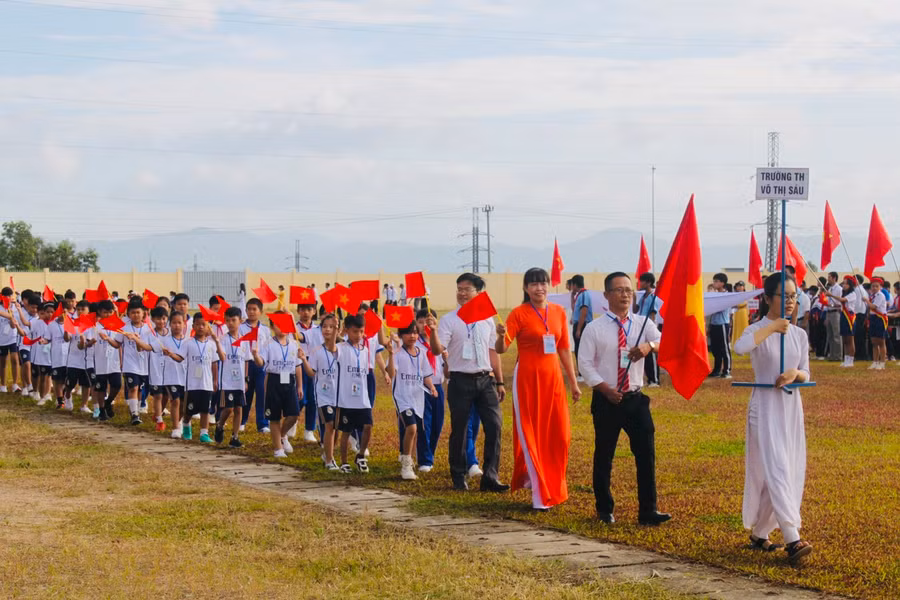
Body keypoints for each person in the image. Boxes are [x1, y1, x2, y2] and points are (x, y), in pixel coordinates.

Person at [577, 272, 668, 526]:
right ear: (606, 295)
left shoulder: (642, 324)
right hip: (607, 399)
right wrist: (605, 389)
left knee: (646, 455)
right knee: (604, 455)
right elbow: (584, 364)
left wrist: (650, 346)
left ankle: (648, 510)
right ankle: (604, 509)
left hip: (635, 399)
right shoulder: (594, 328)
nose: (625, 294)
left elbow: (663, 340)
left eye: (629, 290)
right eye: (619, 290)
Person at [734, 272, 813, 563]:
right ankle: (793, 538)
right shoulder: (756, 330)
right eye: (784, 296)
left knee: (787, 468)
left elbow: (806, 371)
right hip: (764, 408)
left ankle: (760, 533)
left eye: (794, 296)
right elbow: (740, 348)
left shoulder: (800, 335)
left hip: (790, 408)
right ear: (768, 298)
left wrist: (795, 374)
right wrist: (772, 328)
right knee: (776, 466)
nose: (791, 301)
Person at [495, 267, 580, 511]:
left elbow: (564, 349)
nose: (539, 288)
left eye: (543, 283)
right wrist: (500, 335)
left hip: (553, 380)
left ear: (548, 285)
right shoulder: (518, 314)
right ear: (526, 288)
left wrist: (573, 382)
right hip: (527, 380)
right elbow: (501, 349)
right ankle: (540, 493)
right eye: (533, 284)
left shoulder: (558, 312)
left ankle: (549, 481)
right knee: (532, 432)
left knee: (559, 435)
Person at [427, 272, 508, 493]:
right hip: (460, 380)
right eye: (459, 289)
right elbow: (437, 350)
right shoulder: (449, 320)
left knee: (494, 425)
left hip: (485, 379)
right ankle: (458, 475)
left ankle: (490, 476)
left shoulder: (487, 319)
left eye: (467, 289)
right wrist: (433, 332)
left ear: (478, 292)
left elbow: (495, 351)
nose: (462, 293)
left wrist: (500, 382)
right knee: (460, 429)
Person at [385, 322, 437, 481]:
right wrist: (391, 354)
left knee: (415, 432)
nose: (412, 336)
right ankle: (406, 465)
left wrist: (432, 387)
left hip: (417, 398)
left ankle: (410, 459)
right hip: (402, 397)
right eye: (408, 333)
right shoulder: (397, 353)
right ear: (401, 335)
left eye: (415, 333)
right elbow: (391, 373)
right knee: (411, 428)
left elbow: (426, 374)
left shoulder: (421, 353)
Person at [250, 312, 302, 457]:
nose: (282, 328)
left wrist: (299, 386)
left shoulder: (294, 344)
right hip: (274, 380)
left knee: (293, 414)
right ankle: (278, 449)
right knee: (274, 417)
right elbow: (261, 363)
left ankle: (282, 435)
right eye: (278, 325)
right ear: (272, 327)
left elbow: (298, 366)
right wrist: (255, 355)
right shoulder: (268, 344)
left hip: (289, 381)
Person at [174, 313, 225, 443]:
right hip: (192, 384)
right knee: (189, 409)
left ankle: (204, 433)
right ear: (193, 326)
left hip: (206, 383)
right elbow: (180, 358)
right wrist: (170, 354)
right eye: (198, 324)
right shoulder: (188, 343)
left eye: (204, 324)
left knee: (205, 409)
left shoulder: (211, 344)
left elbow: (214, 363)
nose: (201, 327)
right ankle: (186, 424)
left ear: (208, 326)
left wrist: (215, 380)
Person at [299, 313, 340, 470]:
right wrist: (304, 360)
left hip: (338, 395)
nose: (327, 330)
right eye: (325, 327)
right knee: (329, 425)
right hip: (323, 396)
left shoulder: (341, 350)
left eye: (331, 327)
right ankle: (329, 460)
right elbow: (311, 373)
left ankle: (327, 452)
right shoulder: (316, 351)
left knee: (336, 428)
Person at [335, 314, 374, 473]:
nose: (358, 335)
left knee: (368, 426)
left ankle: (361, 455)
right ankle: (344, 462)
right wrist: (337, 331)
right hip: (346, 399)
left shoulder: (365, 350)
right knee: (346, 431)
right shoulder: (341, 348)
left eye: (361, 331)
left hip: (362, 398)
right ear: (347, 331)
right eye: (354, 331)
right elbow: (331, 346)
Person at [415, 308, 445, 472]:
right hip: (422, 387)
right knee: (424, 424)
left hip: (438, 386)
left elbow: (445, 367)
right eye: (420, 322)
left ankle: (430, 453)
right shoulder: (415, 343)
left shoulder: (440, 341)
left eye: (427, 322)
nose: (424, 325)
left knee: (437, 424)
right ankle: (425, 459)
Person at [214, 307, 248, 446]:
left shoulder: (244, 340)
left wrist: (246, 379)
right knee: (228, 408)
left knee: (239, 408)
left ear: (240, 321)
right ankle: (220, 425)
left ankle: (235, 437)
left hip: (239, 381)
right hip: (227, 381)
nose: (230, 323)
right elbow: (222, 358)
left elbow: (246, 360)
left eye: (233, 320)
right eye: (227, 320)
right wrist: (217, 343)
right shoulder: (223, 339)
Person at [121, 298, 154, 425]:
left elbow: (149, 347)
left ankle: (138, 411)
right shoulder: (124, 328)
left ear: (143, 313)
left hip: (144, 365)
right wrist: (107, 339)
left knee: (140, 390)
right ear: (129, 314)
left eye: (138, 312)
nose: (135, 315)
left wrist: (137, 341)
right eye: (133, 312)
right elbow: (117, 343)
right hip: (130, 365)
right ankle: (134, 414)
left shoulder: (148, 329)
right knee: (133, 388)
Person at [240, 298, 271, 434]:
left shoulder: (265, 330)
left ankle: (263, 424)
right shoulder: (241, 328)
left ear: (260, 312)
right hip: (246, 364)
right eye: (249, 309)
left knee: (262, 393)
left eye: (254, 309)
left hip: (261, 365)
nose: (251, 312)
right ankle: (242, 421)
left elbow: (268, 348)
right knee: (246, 393)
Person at [295, 301, 323, 442]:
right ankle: (293, 420)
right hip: (298, 364)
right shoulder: (294, 328)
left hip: (313, 363)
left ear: (314, 311)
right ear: (298, 311)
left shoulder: (319, 329)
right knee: (299, 396)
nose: (306, 312)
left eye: (309, 309)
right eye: (303, 309)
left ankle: (309, 430)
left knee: (312, 398)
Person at [157, 310, 188, 437]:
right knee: (175, 401)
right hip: (171, 376)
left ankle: (179, 422)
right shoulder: (165, 341)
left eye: (179, 323)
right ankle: (175, 428)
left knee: (184, 404)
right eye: (174, 323)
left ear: (184, 324)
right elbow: (150, 348)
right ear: (170, 324)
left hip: (185, 377)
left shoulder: (188, 341)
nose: (177, 325)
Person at [94, 300, 124, 420]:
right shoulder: (95, 327)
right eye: (105, 312)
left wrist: (121, 360)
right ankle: (102, 410)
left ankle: (108, 401)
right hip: (100, 360)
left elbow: (119, 344)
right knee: (101, 387)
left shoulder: (117, 326)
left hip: (114, 361)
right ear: (99, 312)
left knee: (117, 384)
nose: (107, 315)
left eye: (110, 312)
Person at [634, 272, 663, 388]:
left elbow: (653, 314)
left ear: (648, 282)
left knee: (651, 353)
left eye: (642, 281)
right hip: (641, 326)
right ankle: (649, 378)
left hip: (648, 327)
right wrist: (634, 299)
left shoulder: (652, 297)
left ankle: (655, 380)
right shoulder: (643, 297)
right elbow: (635, 310)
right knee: (645, 354)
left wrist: (651, 328)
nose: (640, 283)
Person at [146, 306, 170, 431]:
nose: (161, 321)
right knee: (158, 395)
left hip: (169, 370)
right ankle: (160, 421)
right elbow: (143, 347)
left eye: (164, 318)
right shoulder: (150, 334)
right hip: (155, 370)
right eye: (158, 319)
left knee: (166, 395)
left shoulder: (170, 333)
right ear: (153, 319)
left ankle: (158, 413)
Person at [708, 273, 732, 378]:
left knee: (724, 348)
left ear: (722, 283)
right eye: (714, 281)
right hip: (714, 324)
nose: (714, 283)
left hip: (722, 324)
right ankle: (716, 370)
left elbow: (719, 308)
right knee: (715, 348)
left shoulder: (726, 295)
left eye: (716, 281)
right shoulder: (715, 294)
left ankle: (727, 370)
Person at [571, 274, 593, 380]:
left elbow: (584, 311)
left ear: (575, 284)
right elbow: (575, 309)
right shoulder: (579, 295)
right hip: (579, 324)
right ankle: (581, 373)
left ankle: (582, 374)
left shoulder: (584, 294)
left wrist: (579, 329)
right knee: (578, 349)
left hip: (583, 325)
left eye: (572, 285)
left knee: (581, 350)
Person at [0, 286, 21, 394]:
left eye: (9, 295)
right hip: (2, 339)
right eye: (5, 296)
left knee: (15, 359)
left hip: (13, 338)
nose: (8, 298)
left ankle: (15, 384)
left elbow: (14, 325)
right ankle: (3, 385)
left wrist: (13, 322)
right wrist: (10, 317)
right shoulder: (0, 307)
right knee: (3, 362)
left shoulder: (15, 307)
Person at [865, 278, 888, 370]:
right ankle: (875, 362)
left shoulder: (880, 295)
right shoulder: (872, 296)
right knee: (874, 341)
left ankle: (882, 362)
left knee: (881, 341)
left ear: (880, 287)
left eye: (876, 286)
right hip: (873, 318)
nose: (874, 288)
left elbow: (874, 307)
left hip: (880, 318)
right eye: (873, 286)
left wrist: (866, 301)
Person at [838, 276, 857, 368]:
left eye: (846, 284)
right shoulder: (844, 293)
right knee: (845, 339)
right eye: (843, 283)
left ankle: (851, 360)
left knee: (850, 339)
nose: (844, 285)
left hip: (849, 317)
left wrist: (831, 295)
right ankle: (846, 359)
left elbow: (843, 300)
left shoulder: (853, 294)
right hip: (843, 315)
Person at [823, 272, 843, 361]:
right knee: (830, 335)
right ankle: (832, 354)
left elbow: (840, 303)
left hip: (836, 312)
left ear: (834, 278)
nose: (828, 279)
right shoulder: (830, 289)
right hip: (829, 311)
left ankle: (838, 355)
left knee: (836, 335)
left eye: (829, 277)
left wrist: (831, 303)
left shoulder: (839, 289)